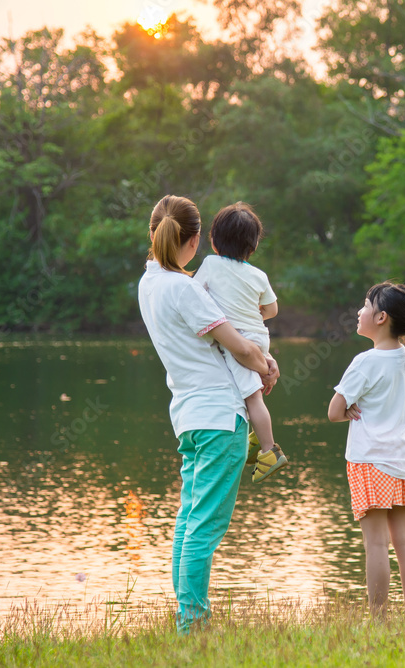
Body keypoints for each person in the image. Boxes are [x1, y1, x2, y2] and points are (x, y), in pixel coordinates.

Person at [137, 194, 279, 633]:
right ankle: (193, 623)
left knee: (187, 520)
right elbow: (238, 345)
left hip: (188, 416)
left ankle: (186, 615)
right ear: (195, 239)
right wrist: (267, 366)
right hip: (220, 416)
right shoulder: (185, 288)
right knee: (205, 526)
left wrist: (256, 362)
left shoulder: (150, 282)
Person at [327, 282, 405, 618]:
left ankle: (379, 618)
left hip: (371, 460)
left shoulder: (365, 362)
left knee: (375, 544)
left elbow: (333, 412)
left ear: (381, 317)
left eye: (365, 306)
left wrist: (349, 408)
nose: (359, 312)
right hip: (403, 460)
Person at [194, 202, 287, 482]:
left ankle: (270, 450)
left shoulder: (210, 264)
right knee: (248, 395)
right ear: (254, 246)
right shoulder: (259, 275)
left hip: (239, 343)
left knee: (253, 398)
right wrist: (256, 310)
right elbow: (272, 310)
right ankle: (256, 439)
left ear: (213, 240)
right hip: (259, 337)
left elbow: (194, 293)